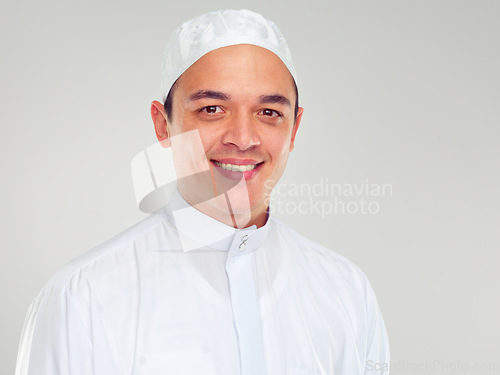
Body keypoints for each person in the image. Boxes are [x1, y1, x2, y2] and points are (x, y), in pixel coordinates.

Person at [15, 9, 390, 375]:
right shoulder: (83, 299)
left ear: (294, 129)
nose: (243, 139)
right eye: (213, 109)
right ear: (163, 127)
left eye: (269, 112)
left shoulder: (347, 293)